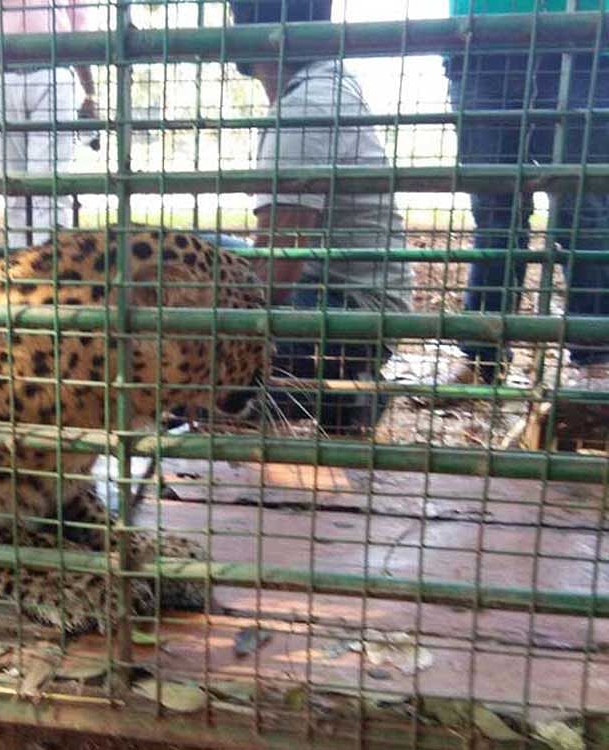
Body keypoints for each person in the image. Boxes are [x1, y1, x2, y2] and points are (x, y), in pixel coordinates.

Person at [230, 0, 413, 435]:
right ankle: (335, 388)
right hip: (348, 296)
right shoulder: (322, 84)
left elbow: (274, 278)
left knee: (183, 291)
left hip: (350, 313)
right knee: (200, 255)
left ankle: (325, 391)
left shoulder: (303, 111)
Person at [445, 0, 609, 388]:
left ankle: (597, 357)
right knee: (493, 209)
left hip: (585, 41)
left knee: (583, 206)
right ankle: (481, 354)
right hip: (480, 41)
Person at [0, 0, 99, 247]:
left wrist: (89, 92)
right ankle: (21, 276)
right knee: (14, 189)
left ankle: (53, 275)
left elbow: (77, 31)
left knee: (50, 187)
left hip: (52, 71)